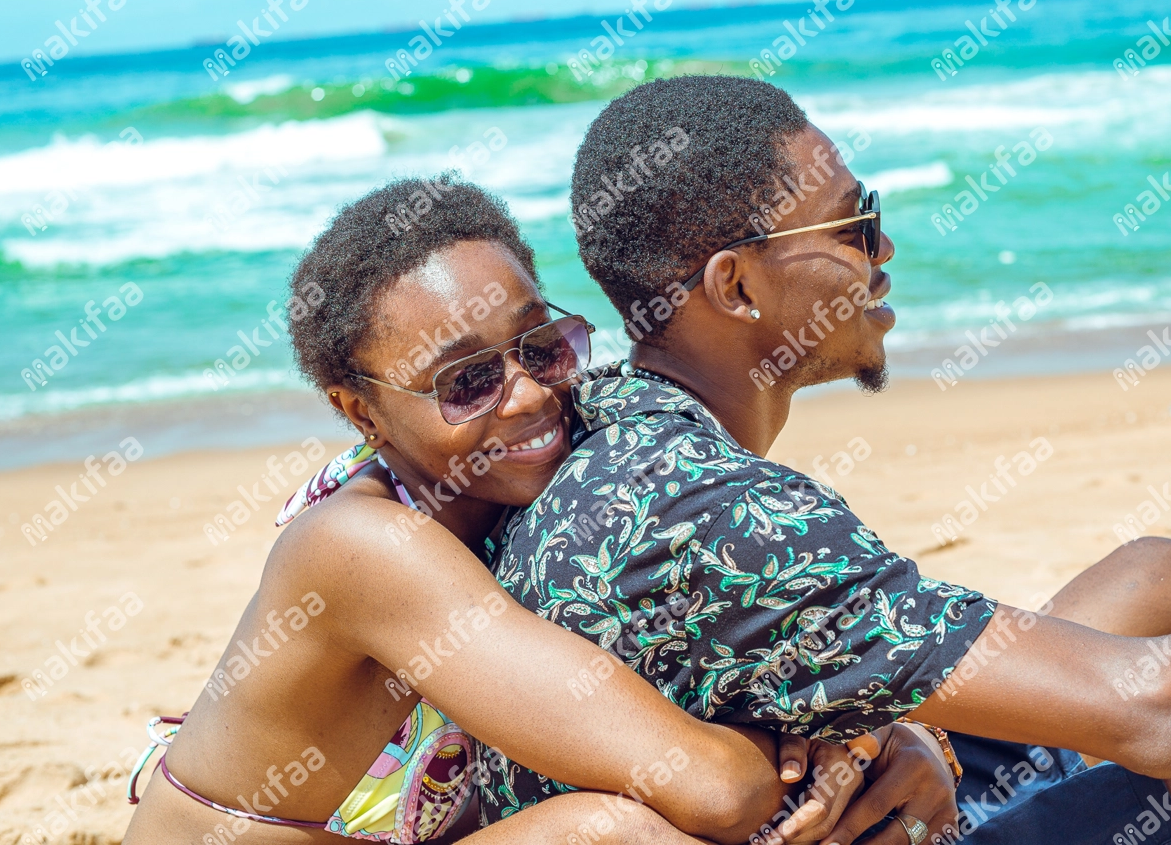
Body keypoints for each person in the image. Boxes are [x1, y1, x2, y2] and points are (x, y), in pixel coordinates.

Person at [485, 75, 1171, 845]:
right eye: (852, 226)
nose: (884, 248)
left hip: (855, 794)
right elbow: (1158, 711)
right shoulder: (726, 514)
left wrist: (903, 732)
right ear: (734, 289)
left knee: (1155, 578)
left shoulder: (604, 419)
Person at [123, 176, 957, 844]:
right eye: (467, 382)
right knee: (618, 831)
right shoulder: (364, 547)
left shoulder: (540, 478)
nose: (527, 397)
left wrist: (873, 735)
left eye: (541, 346)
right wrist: (816, 753)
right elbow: (718, 788)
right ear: (359, 412)